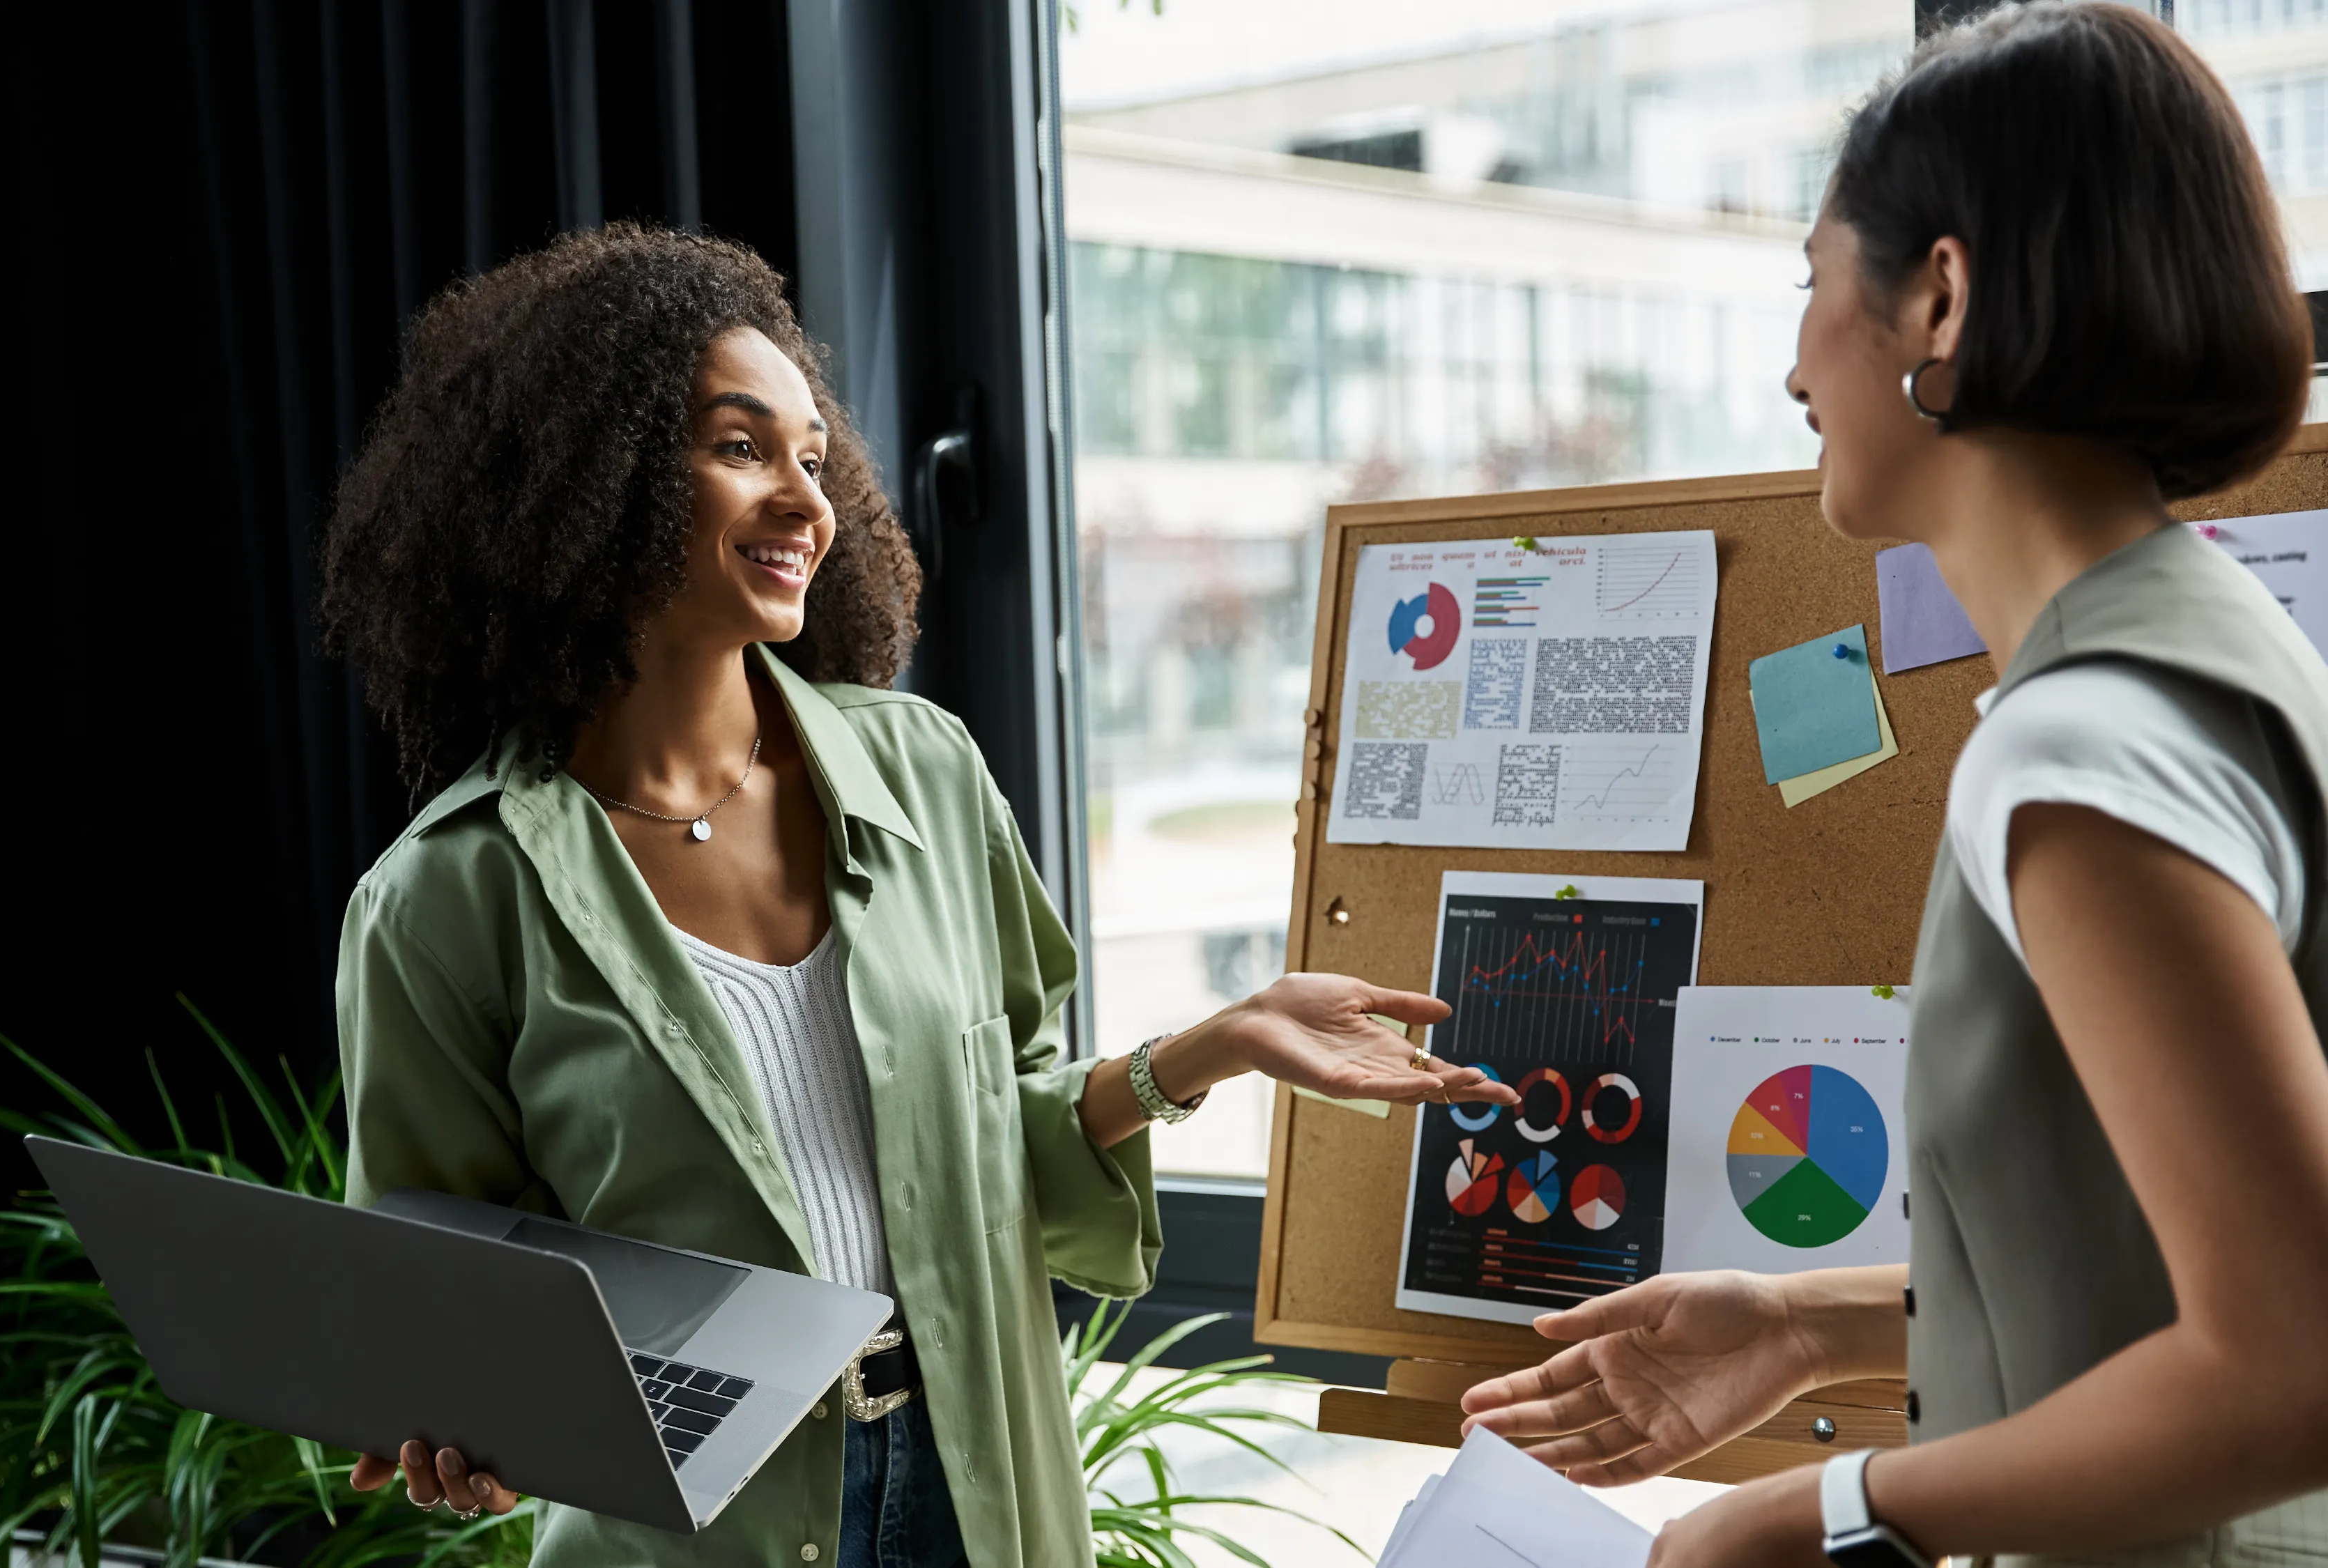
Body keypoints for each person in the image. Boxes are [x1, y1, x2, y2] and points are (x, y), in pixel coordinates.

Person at [314, 223, 1516, 1568]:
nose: (803, 500)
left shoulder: (924, 774)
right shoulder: (448, 895)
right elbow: (440, 1295)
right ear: (588, 483)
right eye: (740, 447)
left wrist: (1211, 1048)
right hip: (698, 1533)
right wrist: (461, 1428)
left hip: (975, 1477)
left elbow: (1015, 1149)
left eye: (814, 459)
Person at [1455, 6, 2328, 1565]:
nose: (1792, 361)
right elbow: (2158, 1245)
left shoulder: (2083, 749)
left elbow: (2286, 1364)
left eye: (1809, 284)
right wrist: (1806, 1321)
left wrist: (1830, 1511)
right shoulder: (2216, 650)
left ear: (1938, 298)